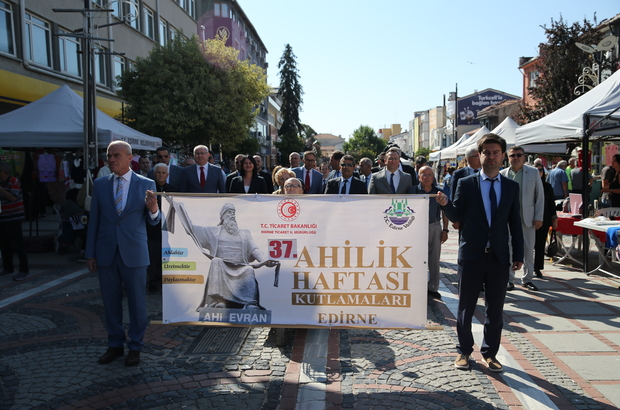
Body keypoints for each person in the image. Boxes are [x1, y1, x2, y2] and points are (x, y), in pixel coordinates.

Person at [436, 133, 523, 373]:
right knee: (465, 307)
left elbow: (515, 222)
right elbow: (456, 217)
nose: (491, 156)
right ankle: (464, 351)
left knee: (495, 310)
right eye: (487, 152)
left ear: (503, 156)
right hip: (472, 255)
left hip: (498, 257)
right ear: (479, 155)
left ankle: (490, 353)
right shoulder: (466, 184)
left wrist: (519, 255)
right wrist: (445, 204)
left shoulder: (511, 187)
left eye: (496, 152)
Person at [86, 141, 160, 366]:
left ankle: (135, 346)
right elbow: (94, 221)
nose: (111, 160)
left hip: (134, 252)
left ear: (130, 158)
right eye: (109, 156)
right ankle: (115, 344)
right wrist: (91, 254)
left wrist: (154, 210)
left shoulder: (146, 183)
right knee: (110, 302)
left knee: (138, 303)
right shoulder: (100, 184)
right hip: (106, 251)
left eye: (116, 155)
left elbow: (153, 221)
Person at [168, 202, 278, 310]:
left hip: (241, 267)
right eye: (229, 212)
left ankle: (249, 302)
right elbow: (191, 229)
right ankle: (219, 301)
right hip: (222, 267)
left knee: (249, 269)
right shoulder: (213, 232)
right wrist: (177, 206)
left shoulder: (245, 233)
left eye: (233, 212)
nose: (232, 215)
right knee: (216, 261)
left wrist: (265, 260)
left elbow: (254, 249)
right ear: (223, 216)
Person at [501, 146, 544, 292]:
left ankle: (527, 279)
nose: (516, 158)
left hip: (528, 218)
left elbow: (539, 196)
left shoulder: (533, 172)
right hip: (507, 219)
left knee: (528, 249)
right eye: (512, 155)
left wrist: (539, 216)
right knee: (508, 248)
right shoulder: (502, 174)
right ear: (508, 157)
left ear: (524, 157)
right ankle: (509, 279)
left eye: (519, 155)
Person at [410, 166, 449, 300]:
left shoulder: (439, 192)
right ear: (419, 177)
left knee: (434, 259)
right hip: (415, 228)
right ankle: (417, 286)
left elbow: (445, 211)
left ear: (433, 177)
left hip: (434, 226)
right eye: (423, 175)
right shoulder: (412, 191)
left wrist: (445, 230)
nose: (426, 177)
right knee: (416, 259)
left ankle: (433, 288)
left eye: (429, 174)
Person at [147, 163, 175, 292]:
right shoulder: (149, 189)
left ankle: (165, 279)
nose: (161, 175)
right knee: (153, 254)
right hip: (153, 228)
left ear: (167, 175)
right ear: (154, 174)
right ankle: (152, 280)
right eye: (158, 172)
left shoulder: (173, 189)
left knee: (167, 255)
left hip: (168, 227)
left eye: (164, 173)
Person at [0, 162, 29, 281]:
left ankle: (23, 270)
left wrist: (1, 189)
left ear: (3, 171)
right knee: (4, 244)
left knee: (17, 244)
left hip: (14, 217)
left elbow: (13, 197)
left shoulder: (14, 182)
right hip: (2, 218)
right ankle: (8, 267)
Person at [534, 164, 558, 278]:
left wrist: (554, 218)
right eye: (536, 170)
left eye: (540, 170)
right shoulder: (529, 185)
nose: (539, 172)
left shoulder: (547, 186)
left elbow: (551, 204)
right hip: (529, 219)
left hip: (544, 218)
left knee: (540, 244)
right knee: (528, 246)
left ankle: (537, 268)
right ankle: (527, 267)